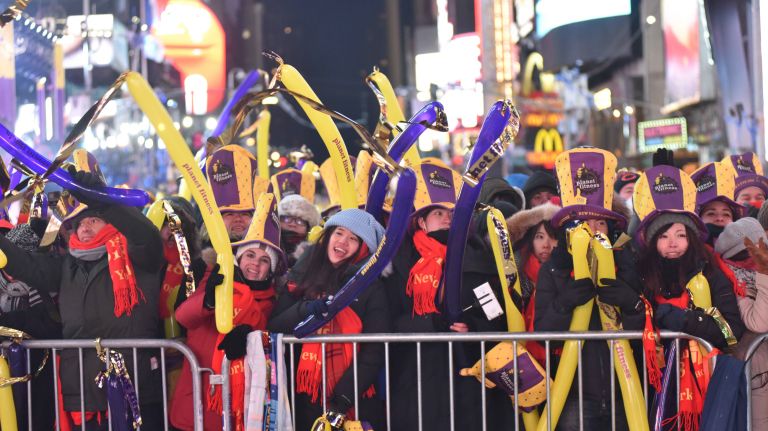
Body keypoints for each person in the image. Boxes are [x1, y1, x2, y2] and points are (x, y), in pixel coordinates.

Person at [0, 165, 166, 430]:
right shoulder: (67, 267)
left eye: (93, 220)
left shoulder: (138, 259)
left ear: (112, 224)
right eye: (78, 224)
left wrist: (101, 200)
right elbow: (24, 264)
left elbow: (147, 237)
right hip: (83, 397)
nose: (84, 228)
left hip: (135, 391)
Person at [535, 148, 644, 431]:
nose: (593, 230)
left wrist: (631, 303)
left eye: (600, 223)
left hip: (623, 390)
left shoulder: (627, 263)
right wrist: (564, 303)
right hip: (574, 395)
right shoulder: (554, 271)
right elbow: (543, 333)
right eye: (583, 224)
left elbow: (645, 332)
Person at [633, 165, 746, 427]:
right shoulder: (641, 275)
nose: (672, 243)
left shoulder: (710, 273)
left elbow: (731, 331)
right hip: (654, 388)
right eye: (664, 236)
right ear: (652, 242)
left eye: (680, 235)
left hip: (708, 387)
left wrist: (685, 321)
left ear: (691, 239)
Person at [171, 193, 285, 431]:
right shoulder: (215, 277)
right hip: (199, 398)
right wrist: (209, 300)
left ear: (271, 270)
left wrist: (252, 337)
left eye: (265, 260)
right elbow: (183, 317)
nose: (255, 264)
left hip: (240, 408)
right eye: (250, 255)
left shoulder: (273, 301)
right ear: (239, 258)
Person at [267, 209, 387, 430]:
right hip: (304, 396)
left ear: (364, 249)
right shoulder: (304, 271)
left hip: (353, 399)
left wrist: (342, 399)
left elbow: (374, 350)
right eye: (339, 233)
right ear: (328, 235)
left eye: (353, 239)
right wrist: (305, 309)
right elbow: (274, 326)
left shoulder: (373, 288)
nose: (343, 242)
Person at [384, 159, 465, 431]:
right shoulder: (401, 261)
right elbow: (392, 319)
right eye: (438, 213)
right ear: (420, 221)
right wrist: (434, 324)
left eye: (451, 214)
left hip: (460, 367)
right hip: (413, 369)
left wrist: (471, 326)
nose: (446, 219)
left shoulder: (470, 255)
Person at [722, 219, 768, 431]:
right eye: (745, 254)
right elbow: (758, 322)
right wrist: (764, 274)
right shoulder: (733, 283)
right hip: (757, 374)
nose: (753, 259)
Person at [506, 200, 560, 363]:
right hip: (521, 361)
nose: (546, 245)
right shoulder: (515, 279)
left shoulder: (569, 276)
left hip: (560, 361)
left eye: (553, 237)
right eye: (539, 237)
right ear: (531, 241)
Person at [271, 168, 321, 267]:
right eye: (287, 218)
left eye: (299, 221)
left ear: (309, 227)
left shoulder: (318, 254)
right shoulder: (267, 249)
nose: (292, 224)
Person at [690, 162, 743, 244]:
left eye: (726, 214)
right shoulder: (690, 254)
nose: (720, 218)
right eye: (711, 213)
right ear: (698, 219)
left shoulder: (746, 252)